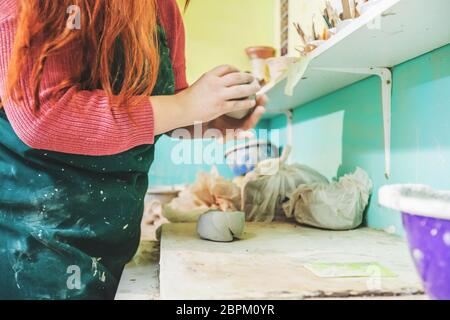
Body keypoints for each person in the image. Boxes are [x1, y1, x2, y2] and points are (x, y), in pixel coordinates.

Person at [0, 0, 266, 299]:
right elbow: (45, 116)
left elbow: (165, 115)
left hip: (114, 238)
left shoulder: (163, 8)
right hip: (30, 241)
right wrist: (185, 105)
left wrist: (214, 117)